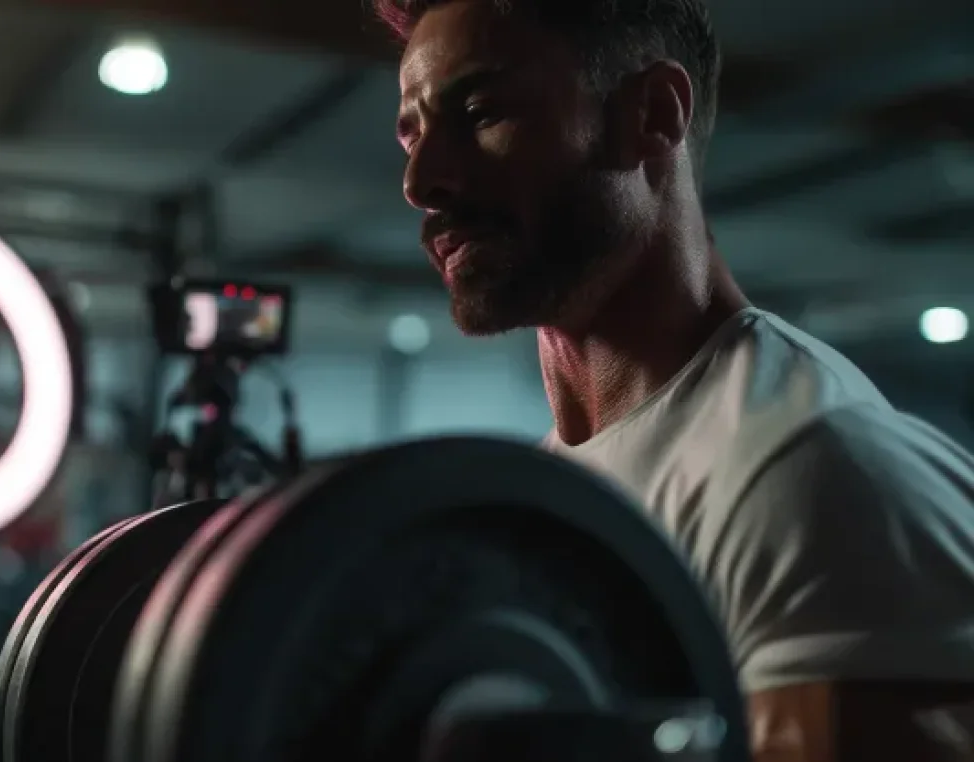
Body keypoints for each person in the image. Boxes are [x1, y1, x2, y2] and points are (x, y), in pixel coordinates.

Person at [378, 0, 974, 758]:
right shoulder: (560, 483)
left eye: (481, 113)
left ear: (653, 116)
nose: (420, 180)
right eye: (413, 134)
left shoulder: (804, 474)